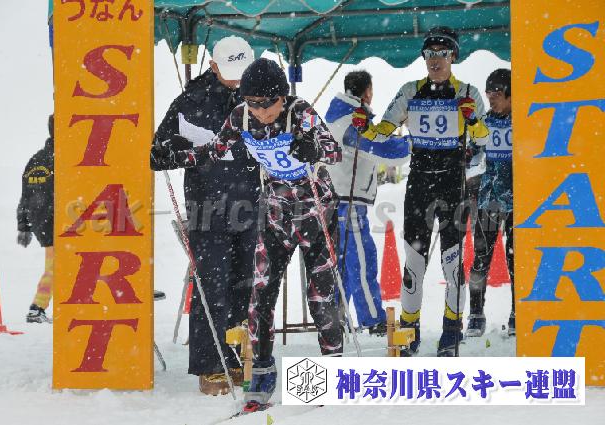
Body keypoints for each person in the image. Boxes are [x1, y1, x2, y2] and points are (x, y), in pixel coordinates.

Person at [164, 58, 343, 411]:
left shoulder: (300, 113)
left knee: (320, 297)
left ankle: (333, 372)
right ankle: (261, 372)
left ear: (282, 97)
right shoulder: (240, 117)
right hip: (275, 214)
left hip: (314, 212)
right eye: (252, 103)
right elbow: (214, 151)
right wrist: (176, 156)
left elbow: (333, 150)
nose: (260, 112)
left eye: (267, 103)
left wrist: (314, 149)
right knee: (260, 296)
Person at [354, 26, 489, 356]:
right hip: (419, 185)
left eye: (442, 53)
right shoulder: (410, 91)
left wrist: (473, 120)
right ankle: (409, 327)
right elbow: (383, 131)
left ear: (453, 56)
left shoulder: (467, 92)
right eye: (429, 54)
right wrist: (364, 127)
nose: (435, 60)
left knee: (452, 263)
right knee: (413, 262)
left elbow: (485, 139)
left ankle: (452, 329)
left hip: (452, 185)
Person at [150, 36, 258, 395]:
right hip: (207, 207)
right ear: (213, 66)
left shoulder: (258, 95)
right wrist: (179, 150)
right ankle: (210, 365)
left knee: (245, 283)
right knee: (212, 283)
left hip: (250, 204)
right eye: (230, 72)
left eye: (243, 71)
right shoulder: (190, 101)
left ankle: (237, 356)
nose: (237, 79)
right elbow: (156, 154)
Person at [325, 70, 410, 335]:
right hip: (348, 201)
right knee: (362, 261)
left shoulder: (337, 116)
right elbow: (387, 151)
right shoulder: (353, 121)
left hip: (335, 200)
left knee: (341, 265)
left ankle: (335, 319)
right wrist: (414, 140)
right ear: (367, 92)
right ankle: (372, 318)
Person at [466, 69, 514, 338]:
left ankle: (518, 311)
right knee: (480, 258)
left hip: (519, 200)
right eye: (489, 93)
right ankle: (475, 314)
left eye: (497, 93)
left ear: (510, 94)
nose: (491, 98)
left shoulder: (523, 120)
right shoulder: (484, 121)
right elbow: (472, 150)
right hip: (489, 199)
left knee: (517, 259)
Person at [17, 114, 55, 323]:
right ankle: (37, 307)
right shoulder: (64, 158)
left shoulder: (36, 159)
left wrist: (24, 226)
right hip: (58, 219)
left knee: (57, 264)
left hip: (40, 222)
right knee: (57, 266)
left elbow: (25, 195)